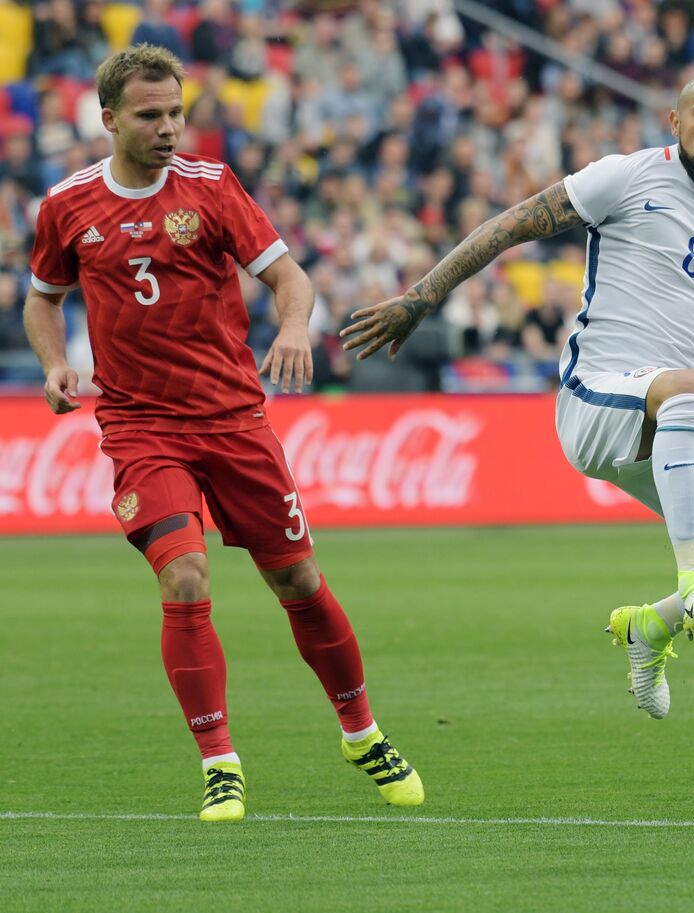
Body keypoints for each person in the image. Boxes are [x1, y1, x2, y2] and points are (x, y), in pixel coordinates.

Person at [342, 59, 694, 720]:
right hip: (595, 397)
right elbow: (510, 226)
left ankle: (652, 625)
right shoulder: (625, 175)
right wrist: (422, 297)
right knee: (685, 386)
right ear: (675, 121)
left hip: (678, 413)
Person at [23, 45, 422, 823]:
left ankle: (361, 731)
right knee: (186, 580)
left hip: (233, 418)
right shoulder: (67, 205)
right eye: (151, 115)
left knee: (298, 582)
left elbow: (286, 276)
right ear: (108, 119)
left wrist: (297, 325)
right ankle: (220, 762)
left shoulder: (212, 187)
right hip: (141, 424)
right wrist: (51, 365)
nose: (170, 127)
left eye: (177, 111)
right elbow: (43, 298)